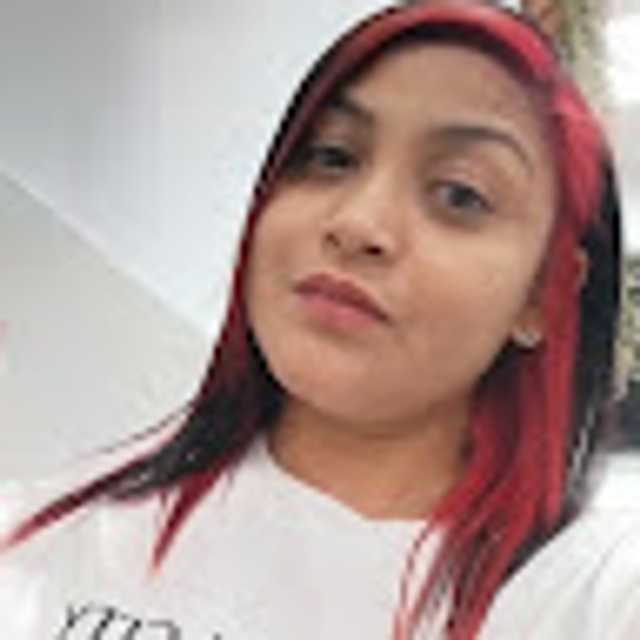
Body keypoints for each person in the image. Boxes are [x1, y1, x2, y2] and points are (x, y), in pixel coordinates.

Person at [0, 1, 635, 639]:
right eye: (331, 157)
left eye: (459, 194)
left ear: (544, 293)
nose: (358, 223)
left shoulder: (592, 589)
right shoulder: (38, 550)